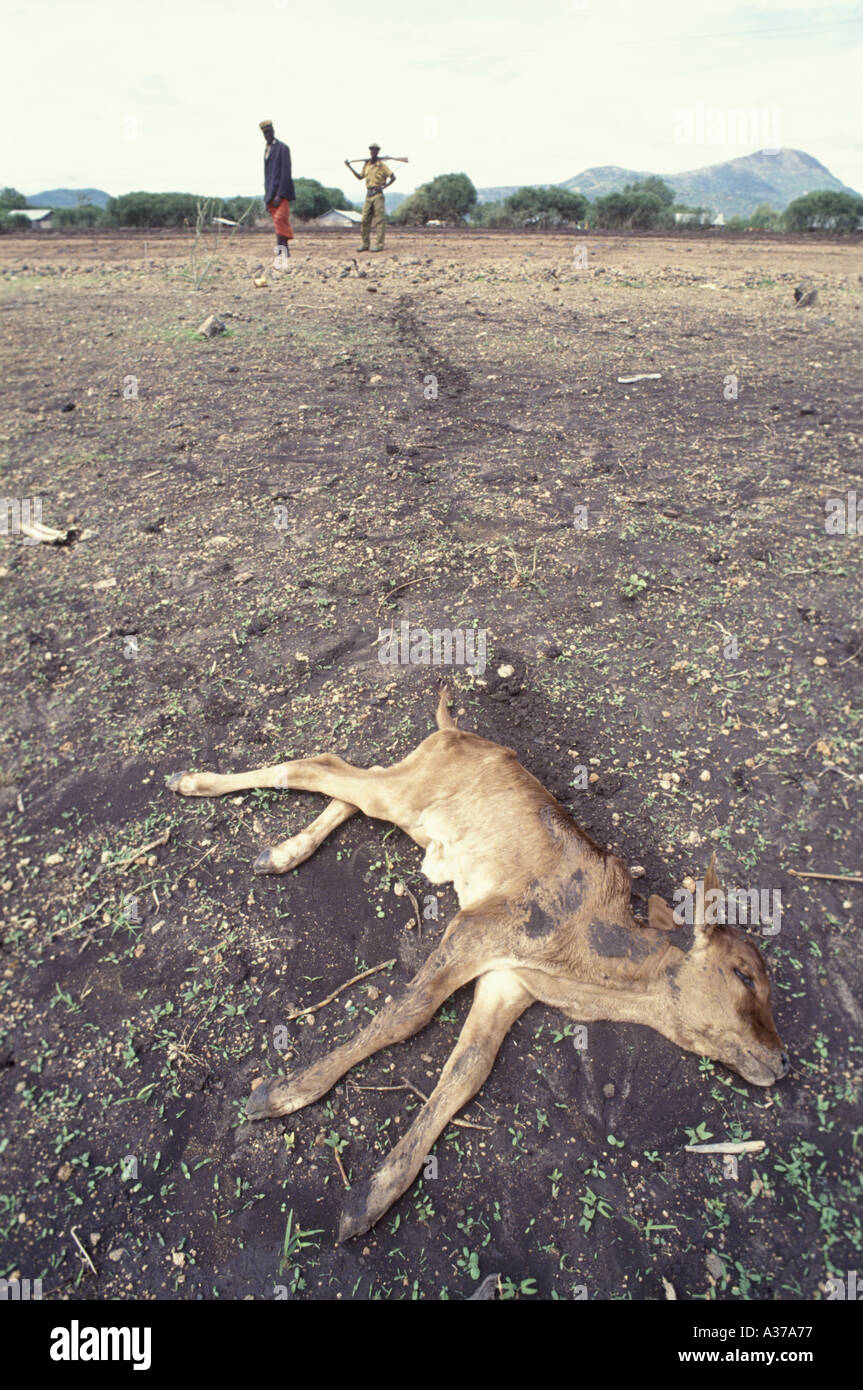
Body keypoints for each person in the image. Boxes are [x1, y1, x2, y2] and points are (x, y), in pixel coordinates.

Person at [345, 144, 395, 252]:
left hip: (378, 195)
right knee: (364, 221)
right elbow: (359, 177)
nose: (373, 152)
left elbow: (393, 177)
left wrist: (384, 186)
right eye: (371, 150)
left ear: (378, 152)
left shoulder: (381, 165)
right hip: (368, 195)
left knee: (379, 221)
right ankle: (365, 244)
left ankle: (379, 245)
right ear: (370, 152)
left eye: (375, 150)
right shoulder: (366, 165)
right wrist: (349, 166)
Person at [260, 119, 295, 268]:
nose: (267, 134)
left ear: (273, 131)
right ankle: (283, 252)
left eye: (269, 131)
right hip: (270, 194)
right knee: (278, 224)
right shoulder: (266, 150)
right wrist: (268, 196)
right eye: (264, 132)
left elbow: (286, 173)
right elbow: (268, 175)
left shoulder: (283, 148)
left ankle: (283, 252)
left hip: (280, 194)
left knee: (281, 221)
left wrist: (279, 194)